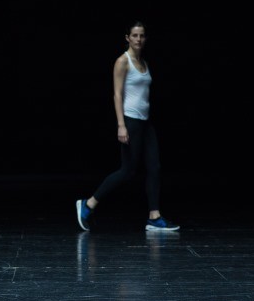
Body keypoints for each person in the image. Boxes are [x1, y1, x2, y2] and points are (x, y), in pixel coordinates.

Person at [76, 21, 179, 233]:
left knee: (154, 167)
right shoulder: (123, 62)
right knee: (127, 170)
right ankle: (87, 205)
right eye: (135, 35)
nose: (138, 39)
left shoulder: (144, 62)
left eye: (142, 35)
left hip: (145, 122)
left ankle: (154, 217)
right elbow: (116, 94)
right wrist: (121, 125)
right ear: (127, 38)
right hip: (130, 121)